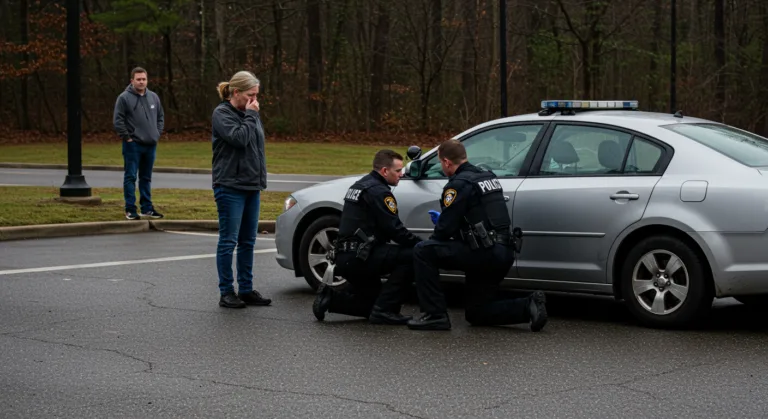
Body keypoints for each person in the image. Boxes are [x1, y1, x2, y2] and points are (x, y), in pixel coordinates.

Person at [407, 139, 548, 331]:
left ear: (447, 162)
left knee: (423, 252)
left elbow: (444, 231)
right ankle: (528, 306)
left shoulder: (458, 184)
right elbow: (480, 215)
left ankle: (434, 316)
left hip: (484, 252)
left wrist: (437, 237)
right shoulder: (486, 176)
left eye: (441, 162)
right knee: (477, 312)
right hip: (504, 251)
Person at [313, 150, 422, 324]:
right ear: (385, 171)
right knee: (412, 256)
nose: (401, 174)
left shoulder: (360, 185)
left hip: (347, 257)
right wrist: (422, 245)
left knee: (371, 306)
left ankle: (330, 299)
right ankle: (385, 311)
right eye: (398, 170)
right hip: (362, 258)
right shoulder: (379, 192)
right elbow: (395, 230)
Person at [211, 70, 271, 309]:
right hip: (230, 185)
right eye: (250, 95)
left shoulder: (250, 113)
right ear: (236, 92)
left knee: (248, 241)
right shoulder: (222, 113)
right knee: (229, 241)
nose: (254, 100)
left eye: (256, 95)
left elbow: (257, 147)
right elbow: (239, 139)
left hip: (251, 185)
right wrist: (251, 115)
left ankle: (246, 289)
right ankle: (226, 292)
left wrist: (260, 178)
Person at [113, 66, 165, 220]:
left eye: (144, 79)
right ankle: (130, 209)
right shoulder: (124, 98)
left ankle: (147, 208)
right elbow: (118, 120)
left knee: (146, 177)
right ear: (132, 81)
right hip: (133, 145)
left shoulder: (154, 97)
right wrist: (128, 137)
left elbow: (160, 117)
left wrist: (156, 133)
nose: (141, 82)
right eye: (138, 79)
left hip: (151, 144)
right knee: (130, 177)